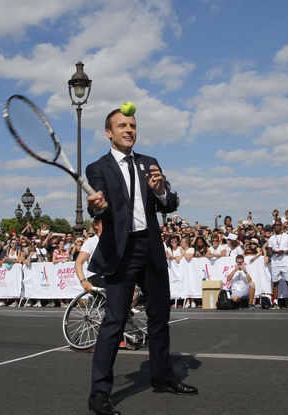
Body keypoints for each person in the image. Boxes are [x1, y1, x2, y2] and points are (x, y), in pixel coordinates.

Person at [85, 108, 197, 415]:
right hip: (121, 250)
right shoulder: (97, 167)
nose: (129, 130)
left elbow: (170, 202)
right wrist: (97, 205)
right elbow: (100, 206)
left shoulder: (150, 162)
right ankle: (99, 393)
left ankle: (161, 375)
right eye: (122, 125)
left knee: (159, 315)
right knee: (115, 321)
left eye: (132, 125)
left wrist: (161, 192)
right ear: (109, 132)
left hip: (151, 245)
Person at [267, 219, 288, 309]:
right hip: (275, 262)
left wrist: (284, 251)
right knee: (275, 282)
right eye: (275, 225)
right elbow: (269, 250)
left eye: (278, 225)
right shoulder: (271, 238)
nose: (277, 227)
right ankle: (275, 301)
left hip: (285, 261)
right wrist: (273, 251)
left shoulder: (287, 237)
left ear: (281, 226)